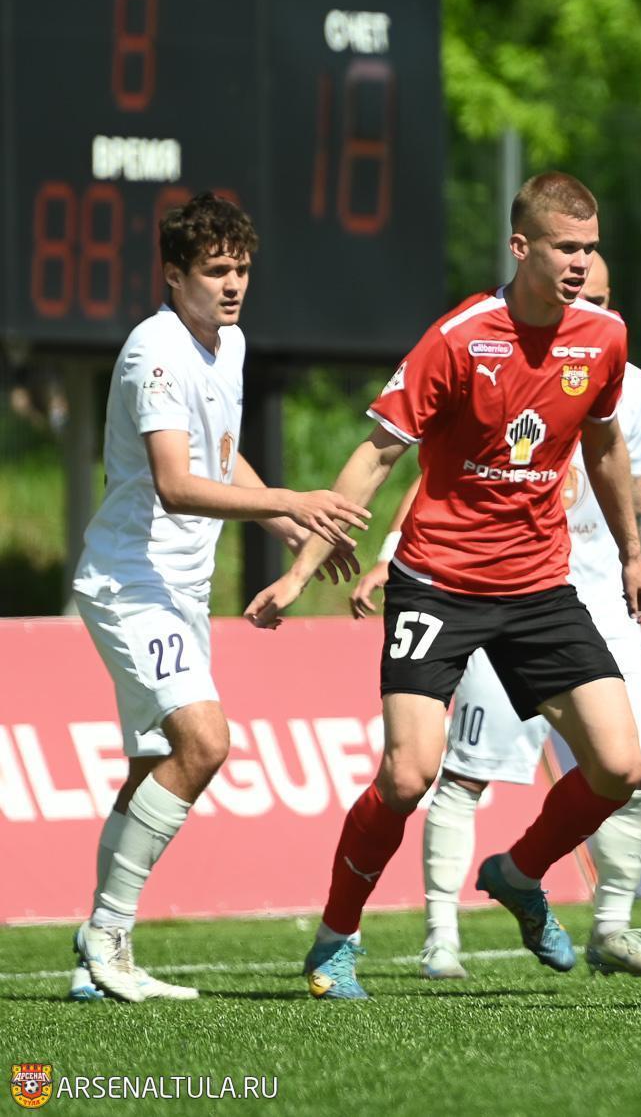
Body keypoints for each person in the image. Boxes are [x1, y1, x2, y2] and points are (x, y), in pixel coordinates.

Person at [246, 171, 641, 1002]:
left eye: (589, 248)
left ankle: (519, 872)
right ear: (520, 247)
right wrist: (299, 569)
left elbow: (606, 447)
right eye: (565, 248)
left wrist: (632, 554)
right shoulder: (460, 338)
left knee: (622, 767)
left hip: (539, 587)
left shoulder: (602, 338)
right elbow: (377, 454)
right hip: (437, 583)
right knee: (408, 776)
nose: (580, 263)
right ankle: (335, 938)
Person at [69, 192, 368, 1002]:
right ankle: (107, 936)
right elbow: (174, 483)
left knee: (150, 769)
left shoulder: (227, 343)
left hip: (178, 588)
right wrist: (292, 498)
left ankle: (95, 958)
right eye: (214, 270)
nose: (232, 284)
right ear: (174, 275)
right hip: (132, 580)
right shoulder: (156, 352)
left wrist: (290, 525)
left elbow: (219, 456)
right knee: (205, 743)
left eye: (241, 268)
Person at [348, 252, 641, 980]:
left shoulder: (629, 381)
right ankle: (441, 934)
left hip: (601, 600)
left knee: (633, 769)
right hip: (503, 586)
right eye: (579, 290)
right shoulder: (486, 346)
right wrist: (390, 551)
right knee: (460, 770)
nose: (587, 308)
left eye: (601, 298)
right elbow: (446, 471)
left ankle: (608, 924)